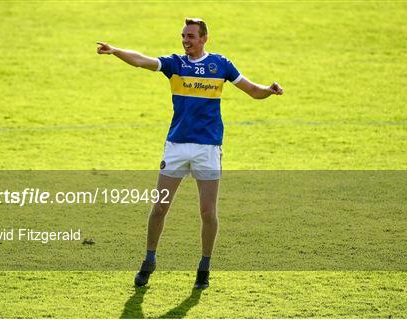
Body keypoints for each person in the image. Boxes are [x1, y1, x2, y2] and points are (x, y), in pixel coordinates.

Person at [96, 18, 283, 289]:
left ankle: (204, 268)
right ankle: (149, 261)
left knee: (208, 212)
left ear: (204, 38)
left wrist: (269, 90)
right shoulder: (176, 64)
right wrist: (116, 52)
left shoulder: (220, 65)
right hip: (177, 146)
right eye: (183, 35)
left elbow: (253, 91)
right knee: (160, 208)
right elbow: (142, 61)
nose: (186, 40)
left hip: (208, 148)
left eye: (191, 36)